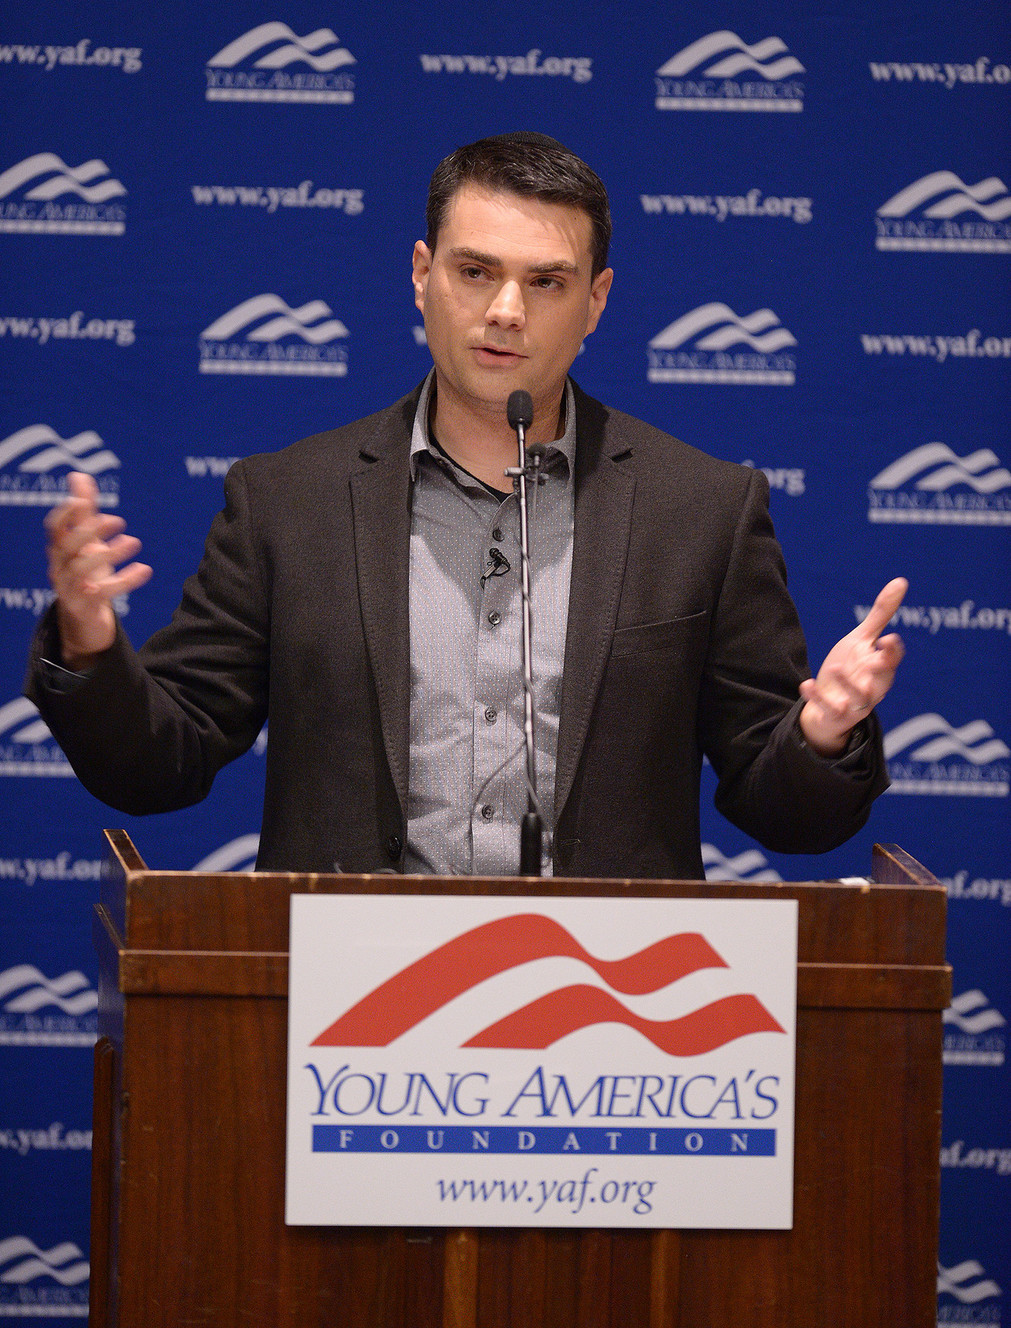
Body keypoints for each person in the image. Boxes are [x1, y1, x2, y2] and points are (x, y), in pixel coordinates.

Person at [26, 132, 906, 879]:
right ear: (421, 274)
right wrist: (91, 647)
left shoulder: (701, 509)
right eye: (475, 270)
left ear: (596, 300)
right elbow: (159, 768)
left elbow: (790, 817)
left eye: (547, 282)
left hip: (609, 1017)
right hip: (350, 1019)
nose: (505, 311)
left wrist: (821, 735)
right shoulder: (287, 503)